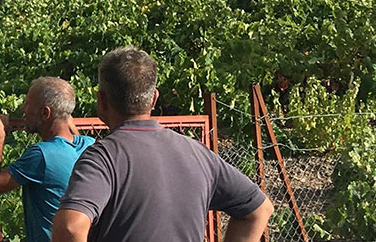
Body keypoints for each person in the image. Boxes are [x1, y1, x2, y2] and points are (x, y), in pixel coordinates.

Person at [52, 47, 274, 242]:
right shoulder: (197, 153)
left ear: (101, 101)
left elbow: (71, 227)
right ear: (154, 98)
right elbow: (258, 210)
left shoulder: (103, 158)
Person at [0, 77, 94, 242]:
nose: (22, 109)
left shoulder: (41, 155)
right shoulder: (90, 146)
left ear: (45, 113)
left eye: (28, 104)